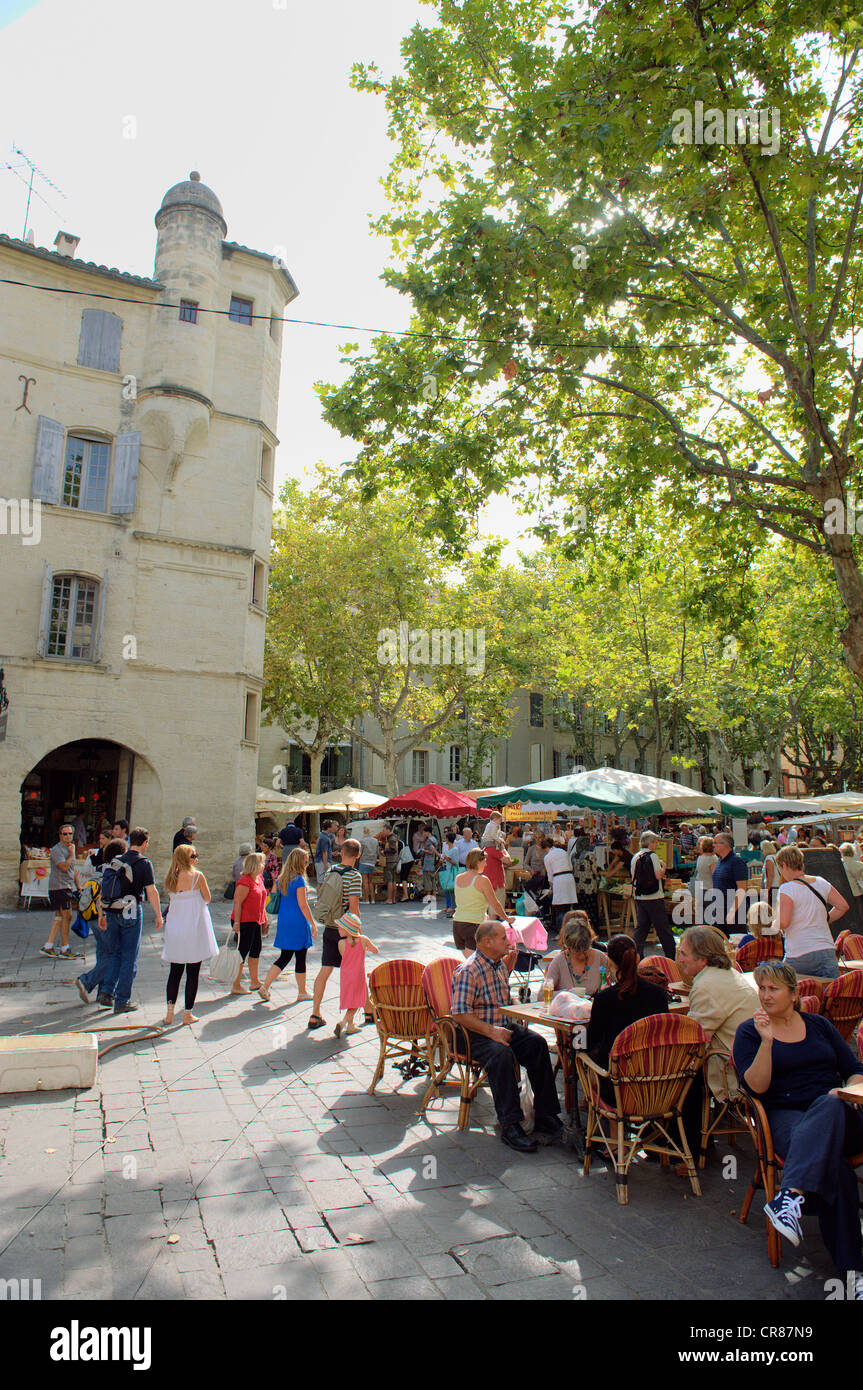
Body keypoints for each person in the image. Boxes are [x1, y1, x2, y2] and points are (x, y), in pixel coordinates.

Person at [733, 961, 863, 1294]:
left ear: (794, 993)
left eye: (773, 988)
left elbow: (854, 1069)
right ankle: (854, 1275)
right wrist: (766, 1043)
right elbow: (756, 1089)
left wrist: (847, 1088)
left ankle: (790, 1196)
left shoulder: (818, 1025)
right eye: (761, 988)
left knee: (832, 1103)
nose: (765, 995)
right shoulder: (750, 1031)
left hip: (838, 1114)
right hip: (786, 1116)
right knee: (837, 1170)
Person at [451, 919, 563, 1153]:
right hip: (473, 1033)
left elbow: (504, 999)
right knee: (501, 1055)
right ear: (487, 942)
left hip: (501, 1025)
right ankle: (510, 1124)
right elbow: (460, 1014)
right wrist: (492, 1032)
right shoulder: (469, 970)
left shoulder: (499, 965)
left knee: (537, 1044)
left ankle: (545, 1113)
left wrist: (518, 1010)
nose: (508, 941)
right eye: (503, 938)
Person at [585, 934, 669, 1106]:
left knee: (585, 1058)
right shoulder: (659, 994)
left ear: (610, 962)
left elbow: (589, 1041)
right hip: (657, 1080)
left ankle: (614, 1125)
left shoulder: (605, 999)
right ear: (637, 958)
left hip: (618, 1084)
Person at [677, 927, 758, 1101]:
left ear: (703, 959)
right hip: (751, 1062)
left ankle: (681, 1127)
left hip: (735, 1073)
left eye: (684, 954)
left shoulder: (706, 986)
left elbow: (694, 1040)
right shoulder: (728, 973)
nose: (679, 959)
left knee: (677, 1073)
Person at [98, 827, 163, 1014]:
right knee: (129, 956)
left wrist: (102, 913)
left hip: (111, 910)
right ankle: (122, 1000)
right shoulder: (144, 863)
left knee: (115, 953)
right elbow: (151, 891)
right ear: (144, 843)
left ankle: (106, 991)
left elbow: (105, 888)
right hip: (131, 910)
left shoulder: (117, 860)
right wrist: (158, 915)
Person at [308, 839, 367, 1030]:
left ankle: (315, 1012)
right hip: (346, 930)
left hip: (330, 927)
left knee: (325, 970)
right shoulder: (354, 876)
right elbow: (353, 908)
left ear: (341, 852)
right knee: (354, 974)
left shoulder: (330, 871)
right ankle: (349, 1021)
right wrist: (358, 933)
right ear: (358, 855)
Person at [161, 843, 218, 1025]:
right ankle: (187, 1013)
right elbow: (207, 898)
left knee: (175, 972)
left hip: (176, 928)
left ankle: (170, 1013)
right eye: (194, 855)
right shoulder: (197, 876)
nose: (196, 858)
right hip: (194, 927)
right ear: (187, 858)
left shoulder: (171, 878)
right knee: (193, 972)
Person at [775, 844, 847, 979]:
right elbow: (843, 906)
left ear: (784, 865)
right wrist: (824, 920)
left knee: (795, 995)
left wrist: (773, 923)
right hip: (826, 949)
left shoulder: (787, 888)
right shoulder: (821, 882)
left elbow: (784, 922)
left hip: (800, 951)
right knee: (828, 995)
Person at [259, 848, 318, 1002]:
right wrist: (313, 923)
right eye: (305, 861)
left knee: (284, 956)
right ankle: (302, 991)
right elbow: (303, 905)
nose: (307, 864)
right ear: (300, 862)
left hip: (284, 920)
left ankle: (265, 986)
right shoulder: (299, 880)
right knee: (300, 956)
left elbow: (273, 897)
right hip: (297, 921)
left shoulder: (281, 879)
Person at [76, 837, 127, 1006]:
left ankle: (103, 993)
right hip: (103, 917)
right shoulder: (114, 872)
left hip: (91, 917)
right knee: (114, 955)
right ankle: (87, 981)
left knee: (104, 953)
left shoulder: (100, 868)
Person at [453, 848, 512, 956]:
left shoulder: (458, 878)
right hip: (473, 925)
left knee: (471, 962)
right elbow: (495, 904)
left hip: (458, 924)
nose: (486, 865)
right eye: (484, 861)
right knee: (482, 962)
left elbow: (468, 900)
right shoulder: (482, 880)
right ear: (478, 862)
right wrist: (506, 918)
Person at [333, 910, 380, 1038]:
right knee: (357, 1000)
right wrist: (366, 947)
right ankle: (343, 1022)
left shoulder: (341, 943)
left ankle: (350, 1025)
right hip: (358, 975)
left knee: (351, 999)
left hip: (346, 975)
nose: (338, 929)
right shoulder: (363, 940)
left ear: (347, 929)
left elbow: (345, 955)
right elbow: (376, 950)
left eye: (341, 927)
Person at [630, 831, 676, 958]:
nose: (656, 844)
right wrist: (664, 867)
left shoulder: (636, 856)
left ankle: (636, 956)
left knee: (641, 929)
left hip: (640, 897)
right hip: (654, 897)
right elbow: (658, 875)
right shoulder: (652, 856)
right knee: (663, 929)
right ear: (650, 843)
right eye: (655, 842)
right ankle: (671, 956)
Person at [230, 851, 269, 994]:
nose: (264, 865)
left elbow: (262, 900)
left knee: (256, 950)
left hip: (256, 919)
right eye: (262, 862)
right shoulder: (245, 881)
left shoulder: (259, 878)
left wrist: (264, 917)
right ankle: (236, 984)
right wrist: (237, 923)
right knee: (243, 951)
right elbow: (238, 903)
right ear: (255, 865)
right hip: (245, 920)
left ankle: (254, 980)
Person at [42, 823, 81, 958]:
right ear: (60, 835)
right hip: (59, 886)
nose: (68, 836)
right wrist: (71, 855)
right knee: (67, 916)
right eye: (65, 834)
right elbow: (64, 867)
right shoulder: (57, 850)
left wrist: (78, 886)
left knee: (59, 916)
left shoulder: (71, 848)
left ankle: (48, 945)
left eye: (70, 834)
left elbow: (72, 870)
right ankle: (65, 948)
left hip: (67, 886)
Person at [545, 912, 606, 996]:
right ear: (568, 946)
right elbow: (541, 995)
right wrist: (566, 994)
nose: (581, 955)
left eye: (585, 950)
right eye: (576, 951)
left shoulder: (600, 957)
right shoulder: (559, 961)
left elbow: (620, 983)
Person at [708, 831, 750, 936]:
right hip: (719, 909)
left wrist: (732, 911)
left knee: (736, 942)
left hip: (733, 911)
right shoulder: (720, 861)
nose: (713, 845)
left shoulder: (736, 862)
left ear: (725, 845)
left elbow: (742, 889)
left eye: (716, 842)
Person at [542, 834, 578, 935]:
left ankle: (561, 933)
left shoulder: (548, 857)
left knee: (559, 908)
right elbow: (570, 865)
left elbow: (550, 874)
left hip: (559, 879)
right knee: (567, 907)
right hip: (569, 877)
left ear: (545, 848)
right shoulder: (563, 852)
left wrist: (552, 888)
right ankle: (569, 931)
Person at [482, 838, 511, 909]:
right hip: (496, 883)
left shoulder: (485, 849)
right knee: (495, 911)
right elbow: (508, 860)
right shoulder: (495, 849)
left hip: (487, 882)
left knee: (489, 910)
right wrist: (503, 849)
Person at [357, 826, 381, 904]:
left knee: (365, 882)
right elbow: (377, 852)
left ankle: (366, 899)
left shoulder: (362, 841)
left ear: (364, 832)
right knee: (371, 882)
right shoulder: (375, 841)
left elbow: (360, 853)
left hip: (364, 861)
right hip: (372, 863)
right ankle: (373, 899)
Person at [440, 830, 460, 917]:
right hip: (448, 871)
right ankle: (452, 907)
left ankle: (453, 908)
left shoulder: (454, 849)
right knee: (449, 891)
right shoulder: (449, 849)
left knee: (452, 891)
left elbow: (455, 863)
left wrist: (446, 858)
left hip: (453, 872)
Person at [418, 824, 440, 902]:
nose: (423, 833)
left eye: (424, 832)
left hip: (428, 862)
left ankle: (428, 896)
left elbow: (430, 851)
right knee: (433, 880)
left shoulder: (429, 840)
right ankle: (434, 895)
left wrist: (423, 850)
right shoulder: (434, 839)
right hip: (433, 862)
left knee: (427, 880)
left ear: (427, 832)